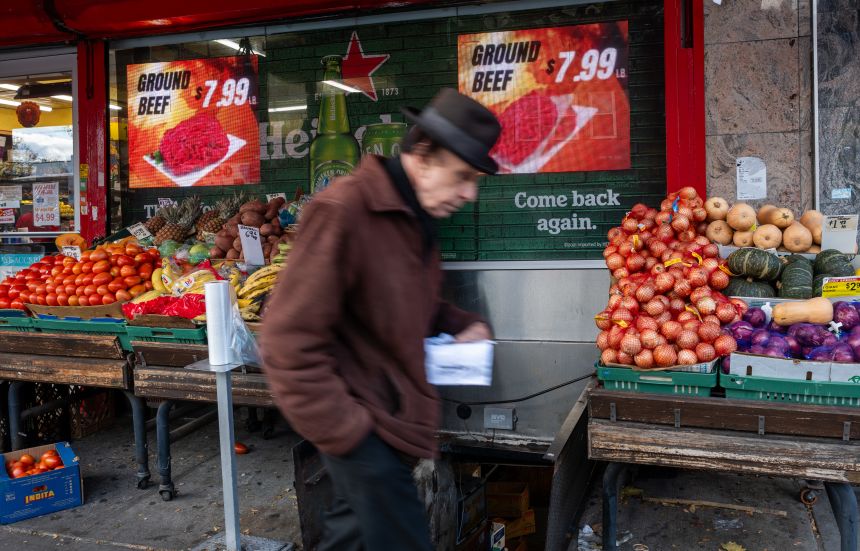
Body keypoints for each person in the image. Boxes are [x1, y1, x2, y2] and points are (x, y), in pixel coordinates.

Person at [259, 88, 502, 551]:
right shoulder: (345, 211)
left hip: (391, 432)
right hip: (366, 436)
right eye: (462, 176)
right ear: (424, 154)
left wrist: (455, 321)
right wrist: (352, 436)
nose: (469, 193)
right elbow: (286, 341)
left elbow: (397, 302)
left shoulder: (411, 215)